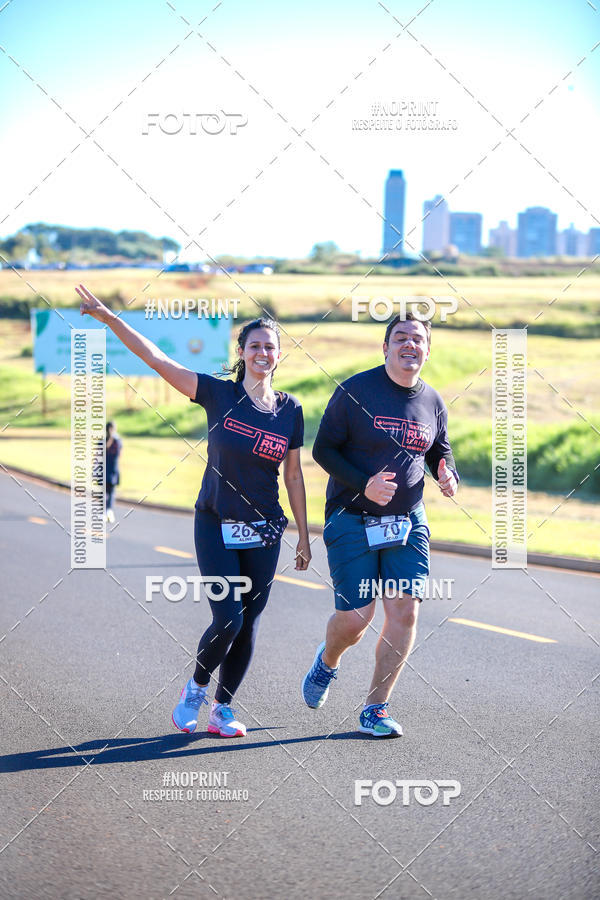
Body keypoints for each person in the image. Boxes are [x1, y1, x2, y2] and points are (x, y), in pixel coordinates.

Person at [76, 284, 311, 737]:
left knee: (249, 625)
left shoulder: (291, 410)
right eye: (255, 345)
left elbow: (294, 476)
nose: (263, 352)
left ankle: (223, 710)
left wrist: (303, 535)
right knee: (230, 617)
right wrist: (110, 319)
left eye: (271, 347)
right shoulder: (217, 395)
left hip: (265, 530)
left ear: (280, 356)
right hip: (215, 521)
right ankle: (196, 690)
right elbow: (158, 361)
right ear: (242, 351)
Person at [302, 312, 458, 737]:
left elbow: (438, 448)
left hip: (408, 521)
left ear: (428, 349)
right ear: (385, 347)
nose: (410, 345)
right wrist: (364, 484)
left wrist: (447, 472)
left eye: (418, 339)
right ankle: (328, 661)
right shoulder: (355, 391)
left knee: (404, 610)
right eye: (401, 337)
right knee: (356, 619)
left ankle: (376, 708)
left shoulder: (433, 401)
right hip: (352, 517)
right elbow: (323, 450)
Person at [105, 421, 122, 524]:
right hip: (113, 470)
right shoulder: (117, 441)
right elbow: (119, 454)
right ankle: (109, 511)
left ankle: (104, 512)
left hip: (104, 470)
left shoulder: (102, 441)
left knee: (104, 493)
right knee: (111, 493)